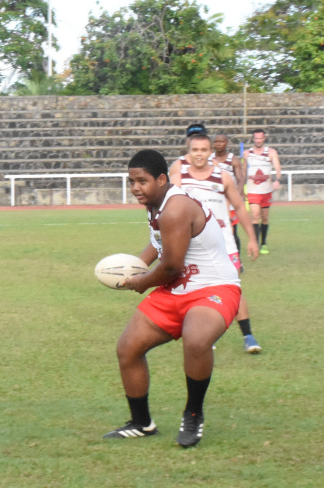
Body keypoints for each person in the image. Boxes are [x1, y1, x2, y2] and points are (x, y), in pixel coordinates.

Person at [103, 149, 246, 447]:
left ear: (162, 179)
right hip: (177, 288)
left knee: (196, 340)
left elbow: (171, 266)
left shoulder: (176, 207)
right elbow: (159, 244)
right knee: (128, 348)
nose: (135, 188)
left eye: (142, 181)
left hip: (214, 286)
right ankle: (141, 423)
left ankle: (193, 414)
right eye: (131, 182)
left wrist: (141, 282)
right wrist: (132, 268)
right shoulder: (154, 204)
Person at [170, 133, 262, 354]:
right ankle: (205, 335)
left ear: (211, 152)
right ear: (188, 153)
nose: (199, 154)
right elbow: (169, 210)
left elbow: (239, 207)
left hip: (225, 245)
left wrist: (251, 238)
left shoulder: (222, 176)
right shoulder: (179, 177)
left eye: (203, 150)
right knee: (195, 289)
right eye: (195, 150)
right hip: (193, 247)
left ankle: (248, 336)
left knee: (234, 289)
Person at [242, 129, 282, 254]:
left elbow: (278, 168)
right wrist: (241, 187)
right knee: (255, 216)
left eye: (260, 138)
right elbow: (243, 171)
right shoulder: (247, 153)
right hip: (253, 190)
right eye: (256, 138)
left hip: (266, 191)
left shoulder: (271, 152)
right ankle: (254, 243)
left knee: (265, 218)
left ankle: (263, 243)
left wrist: (277, 180)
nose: (258, 140)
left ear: (264, 138)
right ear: (252, 139)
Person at [211, 134, 246, 256]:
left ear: (227, 143)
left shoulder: (232, 159)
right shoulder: (209, 159)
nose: (218, 144)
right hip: (213, 201)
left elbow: (240, 178)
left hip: (229, 201)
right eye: (216, 142)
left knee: (232, 231)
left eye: (221, 142)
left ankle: (237, 259)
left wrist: (239, 193)